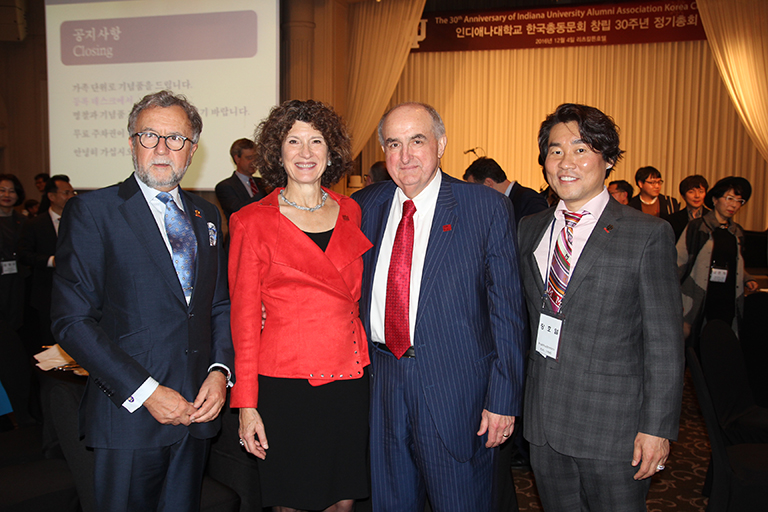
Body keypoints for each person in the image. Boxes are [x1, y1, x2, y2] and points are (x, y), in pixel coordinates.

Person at [51, 90, 234, 512]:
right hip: (130, 417)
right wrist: (148, 392)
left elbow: (218, 305)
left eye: (176, 139)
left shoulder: (206, 216)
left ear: (192, 150)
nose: (162, 149)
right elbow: (71, 320)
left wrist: (220, 372)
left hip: (196, 412)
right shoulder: (94, 212)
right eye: (149, 136)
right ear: (132, 142)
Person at [352, 102, 527, 512]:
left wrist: (503, 399)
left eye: (417, 140)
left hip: (456, 392)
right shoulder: (363, 207)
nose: (405, 155)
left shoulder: (484, 208)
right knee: (389, 502)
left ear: (441, 144)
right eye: (393, 144)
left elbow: (508, 313)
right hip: (382, 383)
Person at [517, 103, 684, 511]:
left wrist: (656, 428)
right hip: (544, 426)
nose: (565, 162)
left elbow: (664, 343)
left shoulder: (647, 234)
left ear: (607, 159)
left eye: (581, 149)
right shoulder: (529, 228)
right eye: (555, 151)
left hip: (614, 429)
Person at [229, 99, 373, 512]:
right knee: (290, 503)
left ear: (331, 152)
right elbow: (242, 322)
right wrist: (247, 405)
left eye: (316, 140)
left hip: (347, 379)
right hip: (286, 385)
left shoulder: (350, 210)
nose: (306, 152)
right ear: (278, 151)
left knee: (342, 503)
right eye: (294, 141)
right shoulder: (251, 221)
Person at [677, 176, 758, 346]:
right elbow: (679, 261)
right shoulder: (697, 227)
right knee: (691, 342)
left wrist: (747, 278)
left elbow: (735, 262)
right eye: (729, 199)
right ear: (715, 200)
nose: (734, 205)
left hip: (727, 295)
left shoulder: (737, 232)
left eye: (739, 201)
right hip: (698, 295)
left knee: (720, 342)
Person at [18, 174, 74, 351]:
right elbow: (24, 254)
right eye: (66, 192)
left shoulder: (79, 220)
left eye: (72, 192)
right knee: (47, 342)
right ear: (51, 196)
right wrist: (51, 261)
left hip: (74, 294)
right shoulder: (35, 224)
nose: (71, 196)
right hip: (45, 293)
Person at [0, 173, 34, 427]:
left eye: (11, 190)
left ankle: (21, 410)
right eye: (2, 190)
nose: (7, 194)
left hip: (18, 289)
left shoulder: (24, 222)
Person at [463, 156, 549, 225]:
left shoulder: (530, 201)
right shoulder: (499, 205)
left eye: (474, 190)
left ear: (488, 183)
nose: (474, 197)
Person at [215, 138, 267, 222]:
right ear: (237, 159)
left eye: (256, 158)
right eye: (249, 158)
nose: (254, 162)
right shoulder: (225, 186)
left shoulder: (262, 182)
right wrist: (265, 192)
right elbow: (239, 210)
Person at [665, 175, 709, 241]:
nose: (697, 196)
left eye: (701, 191)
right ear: (683, 196)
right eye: (691, 192)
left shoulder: (712, 217)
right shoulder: (672, 220)